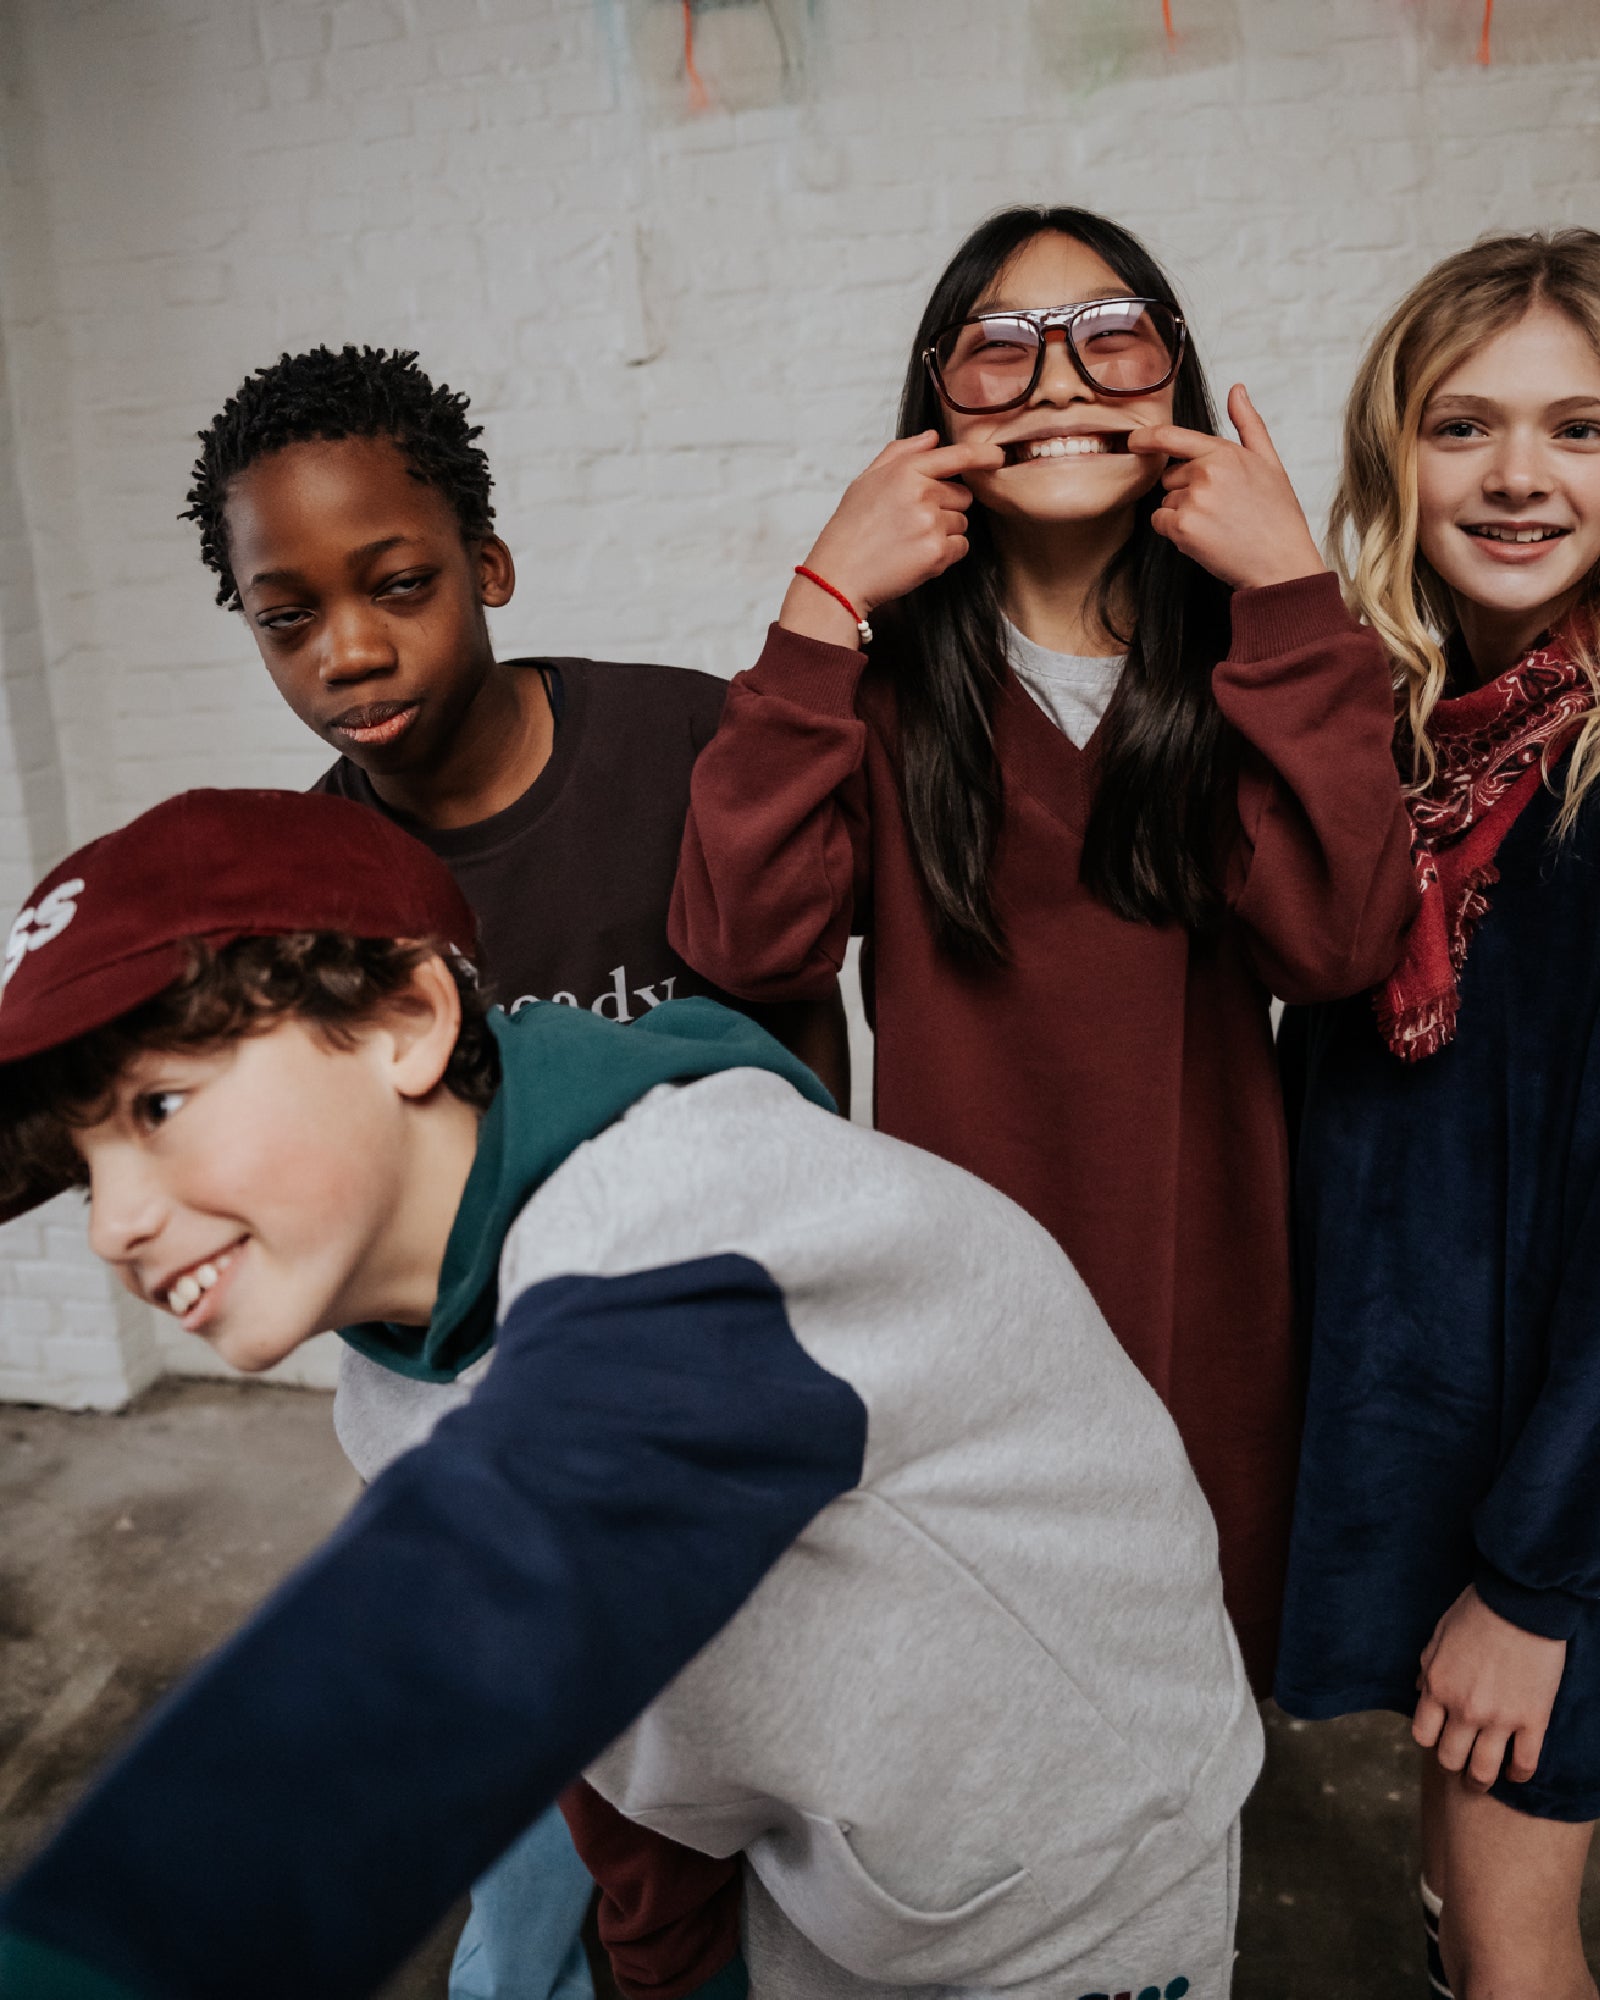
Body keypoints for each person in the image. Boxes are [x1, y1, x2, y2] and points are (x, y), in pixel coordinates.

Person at [0, 787, 1261, 2000]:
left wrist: (96, 1958)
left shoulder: (698, 1209)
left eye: (159, 1105)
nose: (112, 1224)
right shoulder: (391, 1379)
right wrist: (674, 1958)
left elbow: (490, 1590)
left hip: (1082, 1861)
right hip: (837, 1877)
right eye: (81, 1164)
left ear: (407, 1020)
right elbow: (599, 1696)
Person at [669, 204, 1419, 1686]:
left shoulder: (1253, 673)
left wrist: (1288, 594)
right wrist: (820, 605)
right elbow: (748, 939)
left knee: (1189, 1719)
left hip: (1212, 1319)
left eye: (1113, 336)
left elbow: (1338, 943)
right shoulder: (878, 701)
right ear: (934, 410)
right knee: (1000, 1710)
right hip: (965, 1332)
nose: (1062, 380)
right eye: (999, 351)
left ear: (1178, 384)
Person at [181, 343, 849, 2000]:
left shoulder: (688, 742)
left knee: (795, 1867)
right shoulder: (310, 895)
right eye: (286, 617)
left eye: (396, 584)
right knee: (541, 1915)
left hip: (750, 1406)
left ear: (485, 568)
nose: (346, 650)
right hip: (515, 1484)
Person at [1273, 230, 1600, 2000]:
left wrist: (1537, 1581)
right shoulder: (1409, 749)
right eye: (1465, 425)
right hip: (1450, 1453)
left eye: (1581, 428)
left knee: (1512, 1948)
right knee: (1456, 1909)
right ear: (1397, 455)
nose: (1521, 476)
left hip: (1561, 1508)